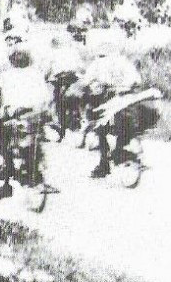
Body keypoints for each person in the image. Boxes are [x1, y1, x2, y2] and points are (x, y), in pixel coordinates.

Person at [0, 31, 52, 200]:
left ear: (12, 59)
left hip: (13, 117)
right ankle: (37, 173)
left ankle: (7, 183)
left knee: (3, 144)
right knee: (37, 140)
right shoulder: (36, 75)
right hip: (36, 116)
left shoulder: (4, 76)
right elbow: (47, 97)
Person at [76, 46, 144, 178]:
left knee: (101, 129)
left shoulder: (98, 63)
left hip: (110, 99)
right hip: (129, 100)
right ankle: (119, 153)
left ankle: (104, 165)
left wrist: (90, 86)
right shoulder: (124, 61)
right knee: (124, 127)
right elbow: (137, 80)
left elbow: (86, 81)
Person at [45, 35, 83, 139]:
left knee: (58, 101)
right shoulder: (73, 51)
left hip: (60, 79)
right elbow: (80, 67)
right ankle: (76, 116)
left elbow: (48, 69)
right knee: (74, 98)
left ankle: (61, 123)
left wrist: (45, 77)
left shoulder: (53, 53)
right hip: (73, 78)